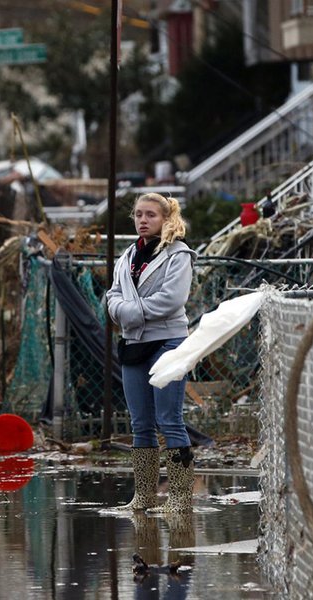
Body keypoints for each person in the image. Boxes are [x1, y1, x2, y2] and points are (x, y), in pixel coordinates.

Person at [105, 192, 197, 513]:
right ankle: (143, 496)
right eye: (139, 215)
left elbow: (172, 300)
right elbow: (112, 296)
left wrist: (129, 312)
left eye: (151, 215)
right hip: (134, 345)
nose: (143, 220)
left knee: (169, 419)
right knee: (140, 423)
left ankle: (180, 498)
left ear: (165, 219)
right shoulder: (127, 256)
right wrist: (122, 310)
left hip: (168, 341)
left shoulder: (178, 255)